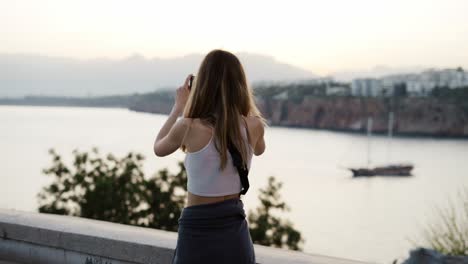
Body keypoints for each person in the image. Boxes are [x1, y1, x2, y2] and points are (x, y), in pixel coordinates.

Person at [153, 49, 267, 264]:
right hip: (235, 229)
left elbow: (159, 147)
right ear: (240, 85)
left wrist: (178, 107)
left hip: (197, 230)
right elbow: (260, 150)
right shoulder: (254, 125)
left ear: (202, 85)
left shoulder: (188, 126)